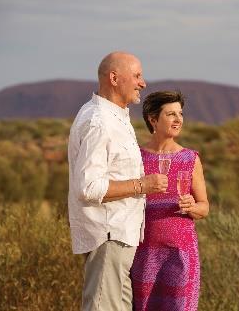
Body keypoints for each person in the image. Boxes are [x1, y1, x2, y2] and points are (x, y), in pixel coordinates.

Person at [67, 51, 168, 311]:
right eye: (136, 76)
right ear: (114, 78)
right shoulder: (99, 122)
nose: (143, 83)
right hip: (108, 235)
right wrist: (143, 185)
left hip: (120, 236)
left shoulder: (115, 117)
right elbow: (88, 187)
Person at [130, 91, 210, 311]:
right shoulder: (137, 158)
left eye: (180, 114)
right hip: (144, 255)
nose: (178, 120)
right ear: (153, 119)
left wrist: (192, 207)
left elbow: (204, 207)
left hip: (181, 255)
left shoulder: (190, 159)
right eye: (171, 114)